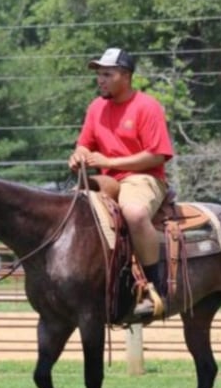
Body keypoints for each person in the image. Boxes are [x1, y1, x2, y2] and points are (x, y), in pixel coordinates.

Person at [68, 47, 175, 317]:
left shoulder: (146, 107)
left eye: (107, 74)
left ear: (125, 76)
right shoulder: (96, 108)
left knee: (135, 214)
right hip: (107, 178)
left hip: (144, 178)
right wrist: (78, 156)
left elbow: (157, 155)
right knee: (70, 209)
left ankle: (155, 286)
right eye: (98, 74)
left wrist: (109, 162)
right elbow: (84, 145)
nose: (100, 80)